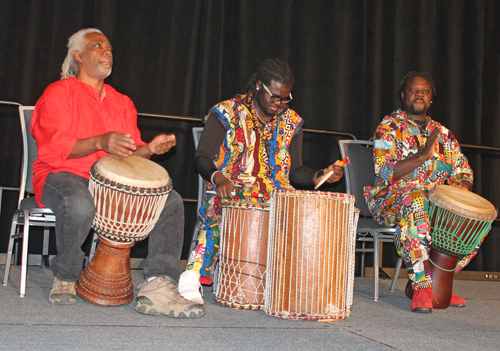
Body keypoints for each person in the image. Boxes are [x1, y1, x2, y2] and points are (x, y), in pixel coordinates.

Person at [31, 28, 205, 319]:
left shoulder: (122, 102)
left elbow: (129, 154)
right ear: (78, 56)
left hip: (108, 183)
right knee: (79, 202)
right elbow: (52, 146)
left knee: (170, 200)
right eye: (98, 46)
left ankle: (159, 284)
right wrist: (99, 141)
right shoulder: (59, 92)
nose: (107, 51)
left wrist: (148, 147)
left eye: (110, 47)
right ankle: (66, 275)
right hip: (61, 175)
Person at [178, 58, 344, 304]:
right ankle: (192, 275)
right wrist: (218, 177)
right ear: (258, 86)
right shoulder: (227, 112)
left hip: (276, 195)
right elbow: (201, 157)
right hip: (233, 190)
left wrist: (320, 175)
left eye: (285, 98)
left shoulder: (291, 122)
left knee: (310, 212)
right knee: (218, 208)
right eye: (274, 97)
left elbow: (295, 171)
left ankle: (300, 284)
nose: (279, 104)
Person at [364, 71, 478, 313]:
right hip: (390, 199)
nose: (419, 95)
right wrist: (422, 156)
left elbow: (463, 170)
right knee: (414, 202)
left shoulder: (443, 134)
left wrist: (463, 185)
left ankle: (439, 280)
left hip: (431, 201)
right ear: (403, 95)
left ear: (431, 99)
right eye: (414, 90)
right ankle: (421, 286)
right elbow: (385, 172)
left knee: (474, 216)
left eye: (425, 91)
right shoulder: (388, 128)